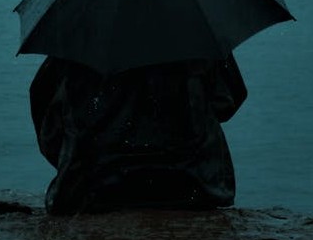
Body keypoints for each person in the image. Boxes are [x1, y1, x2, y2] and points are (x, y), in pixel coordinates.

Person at [30, 54, 247, 215]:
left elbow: (47, 126)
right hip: (192, 187)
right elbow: (227, 102)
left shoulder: (77, 40)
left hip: (92, 191)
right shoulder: (196, 33)